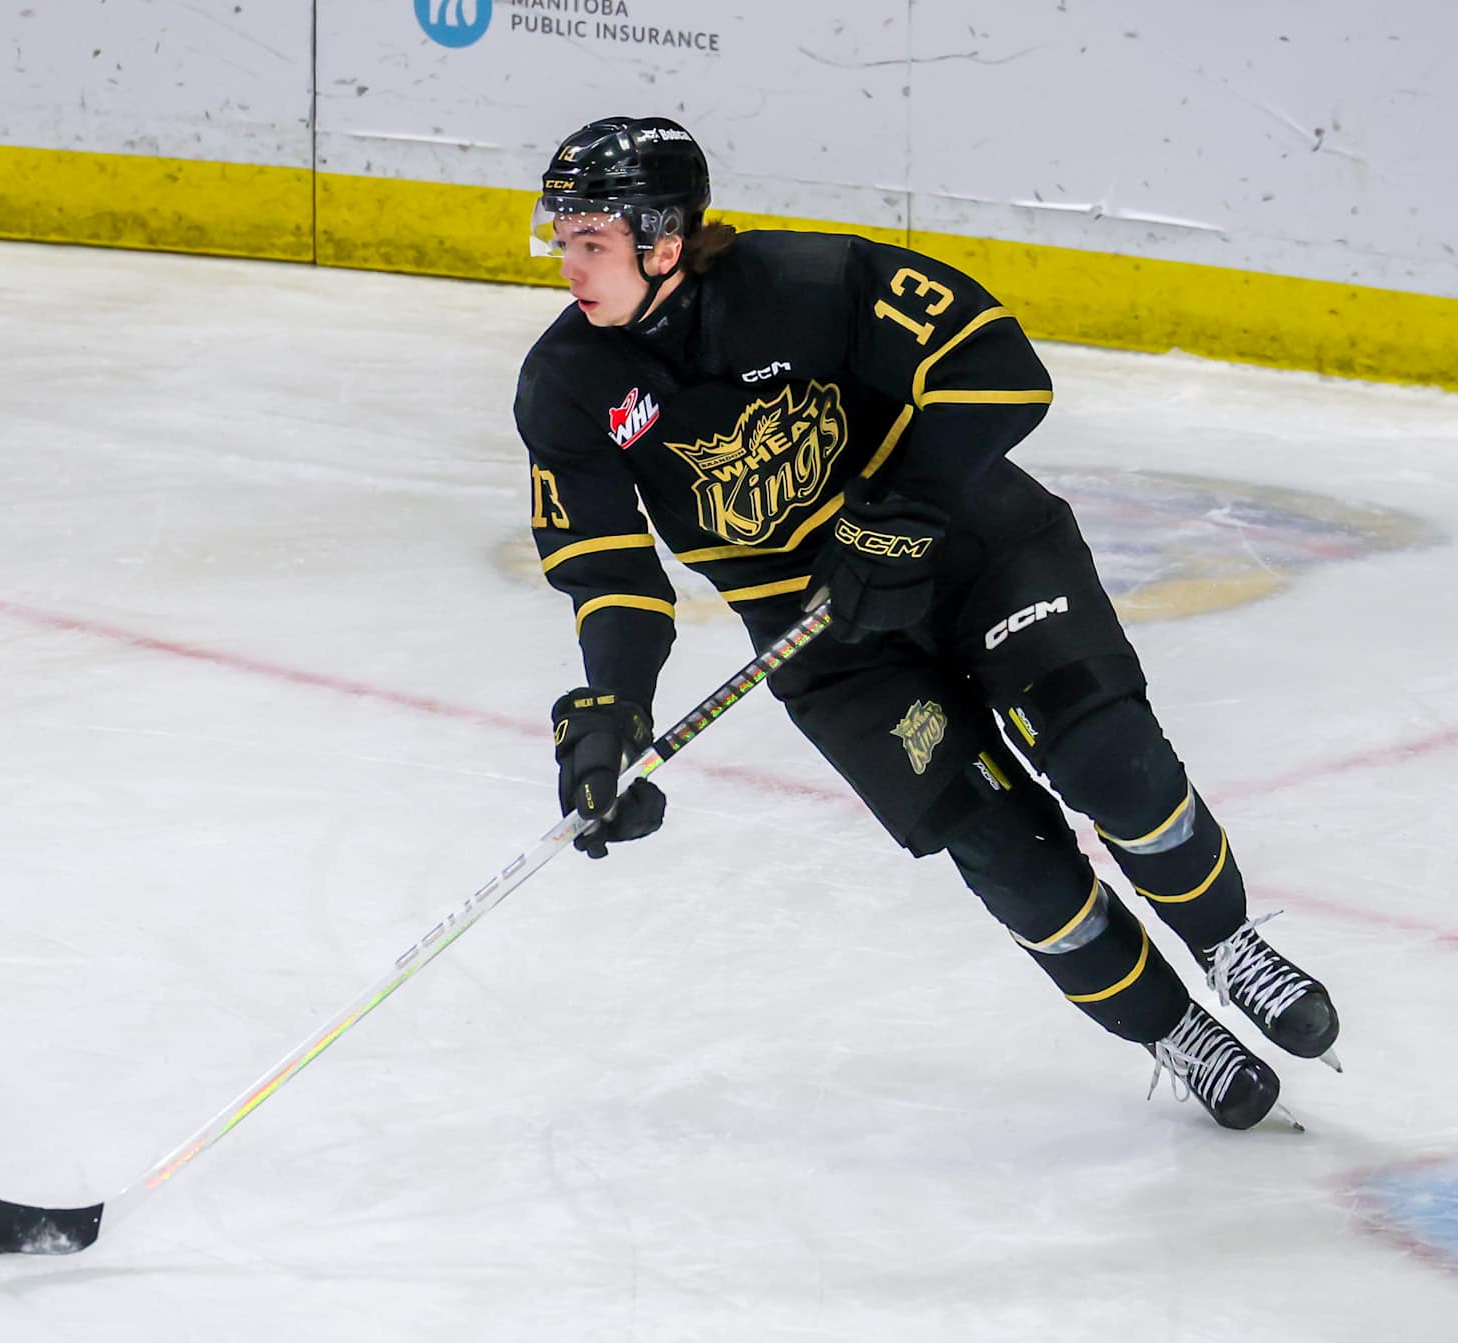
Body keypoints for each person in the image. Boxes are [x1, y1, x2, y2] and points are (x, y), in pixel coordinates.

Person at [513, 115, 1341, 1130]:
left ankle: (1227, 944)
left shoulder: (801, 285)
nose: (569, 265)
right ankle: (1175, 1030)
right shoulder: (566, 386)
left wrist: (898, 519)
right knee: (1002, 852)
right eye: (561, 240)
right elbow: (612, 576)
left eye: (589, 242)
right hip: (825, 638)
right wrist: (613, 712)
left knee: (1107, 757)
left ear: (665, 240)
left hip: (973, 549)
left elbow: (997, 364)